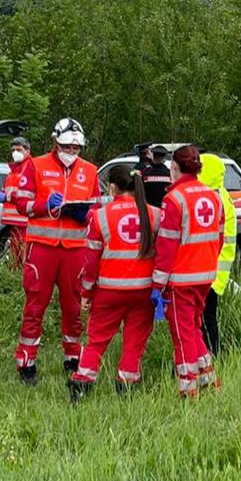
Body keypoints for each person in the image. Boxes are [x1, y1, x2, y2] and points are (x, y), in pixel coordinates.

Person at [13, 117, 101, 384]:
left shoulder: (90, 170)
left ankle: (72, 356)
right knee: (35, 305)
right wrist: (44, 205)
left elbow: (97, 207)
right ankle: (26, 361)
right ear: (55, 143)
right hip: (42, 248)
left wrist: (86, 214)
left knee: (74, 306)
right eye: (66, 147)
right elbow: (21, 202)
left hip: (75, 249)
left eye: (76, 149)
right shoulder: (36, 165)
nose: (71, 153)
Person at [70, 166, 161, 401]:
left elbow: (90, 262)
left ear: (112, 188)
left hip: (109, 292)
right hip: (143, 292)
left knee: (96, 341)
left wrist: (86, 293)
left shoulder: (100, 216)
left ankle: (82, 385)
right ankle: (126, 387)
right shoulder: (155, 214)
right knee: (134, 343)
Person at [153, 145, 224, 397]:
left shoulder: (173, 199)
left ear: (174, 167)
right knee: (193, 328)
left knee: (182, 334)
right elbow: (219, 238)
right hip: (206, 275)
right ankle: (208, 378)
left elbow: (166, 245)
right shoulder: (214, 197)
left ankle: (188, 388)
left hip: (181, 278)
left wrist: (157, 284)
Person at [196, 152, 238, 357]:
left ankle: (210, 357)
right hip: (216, 269)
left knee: (204, 320)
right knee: (207, 319)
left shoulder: (212, 199)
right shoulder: (220, 194)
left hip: (210, 269)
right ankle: (212, 357)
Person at [0, 136, 32, 274]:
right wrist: (1, 194)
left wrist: (6, 197)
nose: (15, 153)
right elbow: (9, 189)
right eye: (13, 150)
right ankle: (13, 278)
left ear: (27, 151)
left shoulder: (30, 168)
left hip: (25, 221)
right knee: (15, 257)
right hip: (14, 222)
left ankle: (19, 280)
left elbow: (28, 194)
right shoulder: (14, 170)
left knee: (24, 256)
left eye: (19, 149)